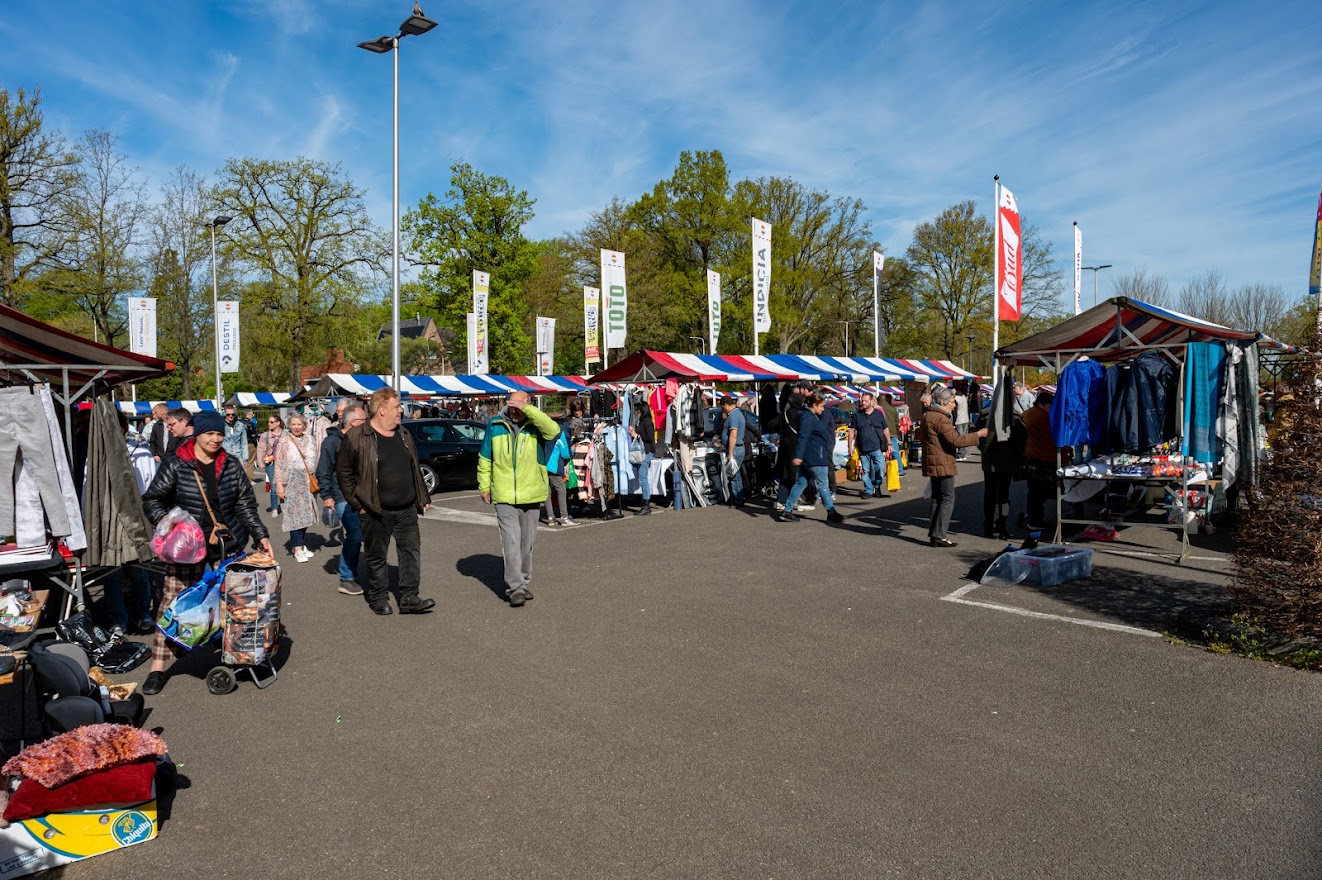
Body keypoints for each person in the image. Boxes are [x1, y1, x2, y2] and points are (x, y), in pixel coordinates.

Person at [140, 410, 272, 694]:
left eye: (220, 434)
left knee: (234, 603)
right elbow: (152, 499)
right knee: (173, 605)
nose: (216, 439)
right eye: (210, 433)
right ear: (197, 433)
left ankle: (236, 656)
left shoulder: (231, 464)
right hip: (187, 548)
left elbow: (245, 504)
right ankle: (158, 669)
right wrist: (172, 524)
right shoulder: (177, 463)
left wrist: (260, 534)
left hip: (227, 542)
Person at [337, 387, 435, 615]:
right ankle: (378, 597)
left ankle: (409, 597)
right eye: (396, 406)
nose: (401, 410)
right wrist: (358, 504)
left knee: (410, 553)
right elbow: (344, 472)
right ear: (381, 410)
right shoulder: (357, 436)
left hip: (407, 508)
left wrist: (423, 495)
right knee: (376, 556)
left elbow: (414, 467)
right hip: (374, 510)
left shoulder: (404, 433)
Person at [477, 391, 560, 607]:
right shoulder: (495, 424)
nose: (514, 409)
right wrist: (484, 485)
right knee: (511, 541)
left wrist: (528, 409)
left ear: (528, 405)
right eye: (512, 405)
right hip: (504, 494)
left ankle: (523, 582)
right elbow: (485, 457)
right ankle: (515, 588)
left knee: (527, 544)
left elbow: (554, 430)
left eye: (519, 405)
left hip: (531, 493)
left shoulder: (536, 425)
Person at [922, 386, 987, 548]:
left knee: (937, 498)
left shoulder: (928, 415)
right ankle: (940, 535)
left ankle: (935, 533)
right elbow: (956, 440)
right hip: (943, 461)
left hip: (933, 461)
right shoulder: (941, 418)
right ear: (943, 402)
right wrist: (978, 435)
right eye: (952, 402)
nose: (954, 404)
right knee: (947, 498)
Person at [317, 403, 367, 594]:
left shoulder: (361, 439)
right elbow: (323, 470)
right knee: (355, 534)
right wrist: (327, 496)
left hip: (361, 496)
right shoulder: (332, 442)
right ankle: (347, 578)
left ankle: (353, 573)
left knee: (360, 535)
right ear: (353, 422)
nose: (367, 423)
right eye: (364, 420)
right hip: (341, 497)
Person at [775, 393, 844, 525]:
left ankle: (787, 510)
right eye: (821, 406)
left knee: (801, 483)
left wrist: (800, 456)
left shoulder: (809, 417)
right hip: (816, 456)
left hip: (810, 456)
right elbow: (803, 437)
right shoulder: (808, 418)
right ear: (814, 405)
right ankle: (831, 512)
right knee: (823, 484)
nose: (823, 409)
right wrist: (798, 455)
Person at [275, 413, 319, 562]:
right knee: (294, 516)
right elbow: (278, 465)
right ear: (289, 425)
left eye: (299, 424)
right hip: (291, 484)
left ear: (304, 425)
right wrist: (279, 485)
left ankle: (301, 543)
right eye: (293, 424)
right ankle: (297, 548)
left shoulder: (310, 439)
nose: (296, 427)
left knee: (306, 516)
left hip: (307, 483)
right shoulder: (284, 441)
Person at [981, 413, 1026, 539]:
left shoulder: (985, 415)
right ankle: (999, 528)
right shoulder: (1014, 417)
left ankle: (989, 527)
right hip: (1006, 462)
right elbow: (1021, 441)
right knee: (1002, 496)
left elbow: (980, 440)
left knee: (990, 494)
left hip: (989, 461)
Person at [1021, 391, 1061, 531]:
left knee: (1035, 491)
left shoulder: (1028, 414)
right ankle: (1034, 520)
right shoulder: (1042, 418)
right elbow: (1052, 438)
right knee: (1039, 491)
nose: (1052, 409)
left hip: (1031, 456)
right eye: (1050, 406)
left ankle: (1032, 518)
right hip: (1042, 459)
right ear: (1040, 404)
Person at [847, 391, 890, 499]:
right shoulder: (858, 415)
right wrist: (850, 447)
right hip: (863, 448)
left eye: (866, 401)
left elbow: (885, 429)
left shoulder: (878, 414)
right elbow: (851, 431)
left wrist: (889, 443)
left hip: (876, 447)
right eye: (862, 401)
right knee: (866, 471)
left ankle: (877, 487)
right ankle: (869, 491)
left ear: (871, 401)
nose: (863, 403)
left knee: (880, 469)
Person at [543, 421, 575, 526]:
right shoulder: (562, 432)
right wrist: (572, 449)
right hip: (553, 464)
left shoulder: (545, 429)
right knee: (561, 489)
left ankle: (550, 517)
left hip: (542, 463)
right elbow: (566, 453)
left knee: (547, 490)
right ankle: (564, 517)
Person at [633, 395, 661, 515]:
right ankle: (645, 504)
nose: (636, 413)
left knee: (642, 477)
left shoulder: (647, 421)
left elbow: (650, 437)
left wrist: (637, 435)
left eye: (638, 411)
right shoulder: (643, 421)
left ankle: (646, 504)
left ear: (642, 411)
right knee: (642, 477)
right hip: (644, 451)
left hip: (647, 451)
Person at [253, 414, 285, 515]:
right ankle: (274, 507)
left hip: (284, 464)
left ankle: (284, 505)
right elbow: (261, 449)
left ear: (278, 423)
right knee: (274, 486)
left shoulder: (286, 435)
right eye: (268, 422)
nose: (269, 424)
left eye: (271, 422)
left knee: (285, 484)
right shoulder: (265, 435)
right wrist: (260, 462)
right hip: (271, 463)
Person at [718, 395, 746, 507]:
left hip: (735, 449)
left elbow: (733, 435)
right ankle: (737, 498)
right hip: (737, 448)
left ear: (725, 405)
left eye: (722, 407)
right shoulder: (737, 414)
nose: (722, 410)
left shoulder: (733, 416)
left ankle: (737, 499)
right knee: (735, 474)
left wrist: (730, 452)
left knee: (734, 476)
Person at [882, 393, 905, 476]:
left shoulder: (878, 408)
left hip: (881, 433)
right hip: (892, 432)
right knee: (895, 452)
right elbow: (896, 422)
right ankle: (900, 470)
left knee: (880, 453)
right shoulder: (892, 409)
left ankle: (882, 471)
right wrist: (897, 432)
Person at [953, 381, 971, 461]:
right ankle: (963, 453)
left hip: (959, 420)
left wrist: (953, 421)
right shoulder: (963, 396)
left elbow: (954, 411)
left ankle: (960, 454)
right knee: (964, 437)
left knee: (960, 438)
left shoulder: (955, 398)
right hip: (965, 418)